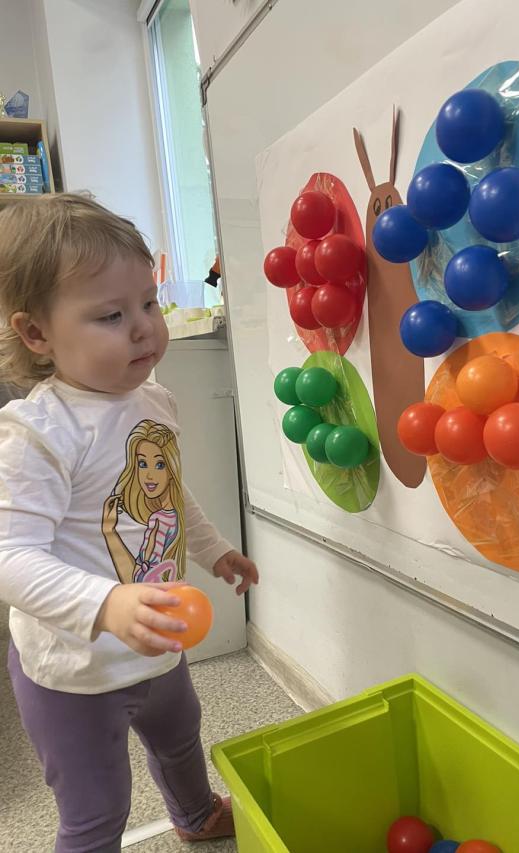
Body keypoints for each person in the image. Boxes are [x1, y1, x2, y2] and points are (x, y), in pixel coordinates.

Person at [0, 193, 259, 852]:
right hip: (75, 670)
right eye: (112, 315)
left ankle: (195, 815)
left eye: (149, 302)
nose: (144, 328)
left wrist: (214, 549)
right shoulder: (40, 432)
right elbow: (10, 557)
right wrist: (106, 603)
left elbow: (169, 492)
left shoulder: (153, 398)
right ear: (37, 334)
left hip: (155, 637)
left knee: (181, 736)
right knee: (97, 810)